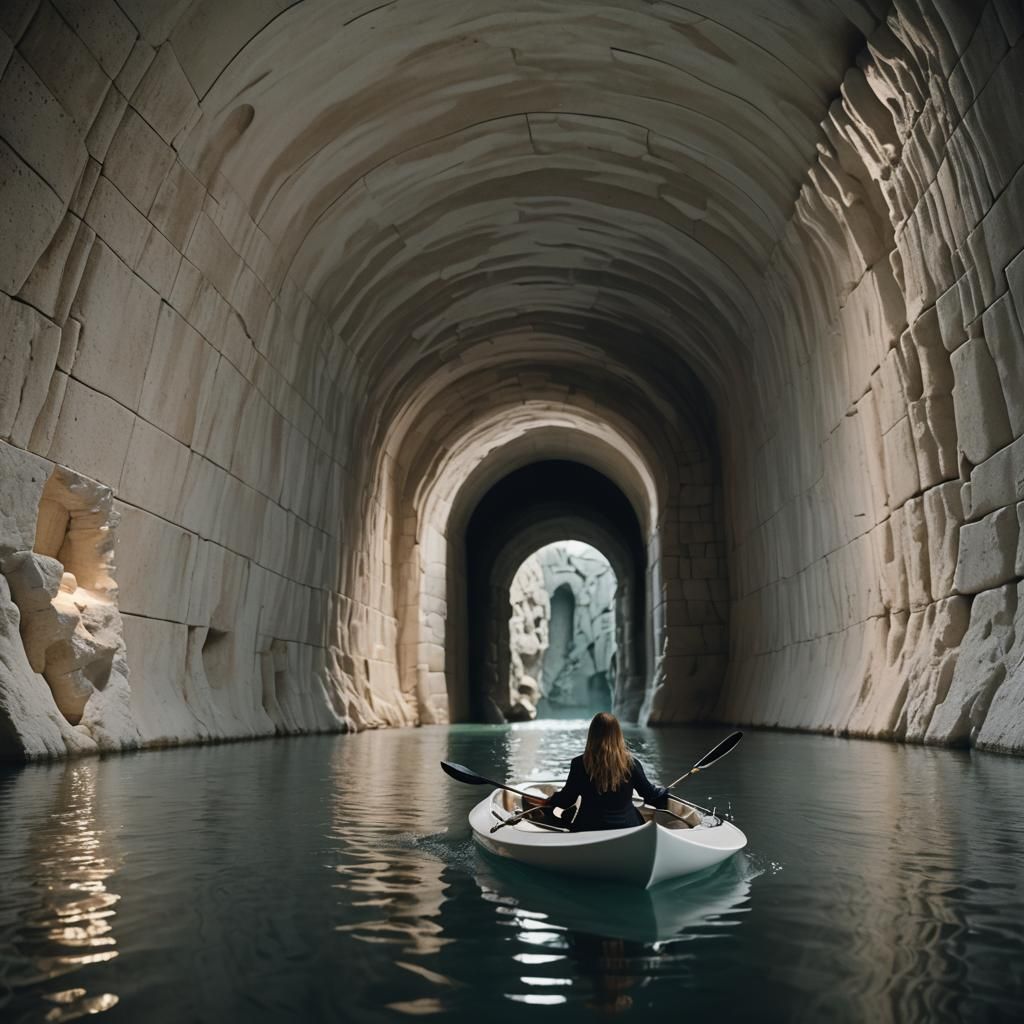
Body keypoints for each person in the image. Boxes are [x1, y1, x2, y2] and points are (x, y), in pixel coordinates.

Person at [531, 711, 670, 831]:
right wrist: (663, 793)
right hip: (628, 826)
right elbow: (650, 795)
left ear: (592, 735)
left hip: (590, 827)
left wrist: (550, 800)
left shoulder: (579, 764)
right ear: (617, 735)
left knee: (563, 816)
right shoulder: (630, 763)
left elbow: (566, 800)